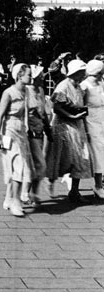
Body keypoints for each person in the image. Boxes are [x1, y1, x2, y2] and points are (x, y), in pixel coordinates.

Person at [46, 59, 91, 204]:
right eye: (82, 72)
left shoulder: (78, 87)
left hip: (77, 126)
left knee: (79, 157)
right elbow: (56, 107)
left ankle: (74, 191)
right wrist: (72, 115)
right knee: (59, 157)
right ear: (76, 72)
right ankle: (51, 181)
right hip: (63, 126)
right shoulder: (63, 86)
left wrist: (80, 118)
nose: (84, 74)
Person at [0, 63, 34, 217]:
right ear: (19, 75)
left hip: (21, 131)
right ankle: (16, 202)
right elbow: (0, 115)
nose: (31, 77)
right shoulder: (8, 93)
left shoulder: (26, 91)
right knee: (19, 166)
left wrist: (27, 128)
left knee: (17, 166)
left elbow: (26, 113)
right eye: (28, 74)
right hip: (9, 130)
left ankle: (9, 198)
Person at [21, 65, 52, 205]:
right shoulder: (25, 91)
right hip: (29, 132)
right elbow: (23, 112)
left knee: (37, 164)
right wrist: (27, 128)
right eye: (40, 75)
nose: (42, 77)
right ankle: (25, 193)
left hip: (40, 131)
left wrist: (48, 128)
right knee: (37, 164)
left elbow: (44, 112)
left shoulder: (40, 90)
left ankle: (33, 193)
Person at [81, 59, 104, 200]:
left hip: (102, 118)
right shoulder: (85, 86)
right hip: (91, 121)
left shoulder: (101, 84)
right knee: (97, 152)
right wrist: (85, 128)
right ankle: (98, 185)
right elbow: (80, 106)